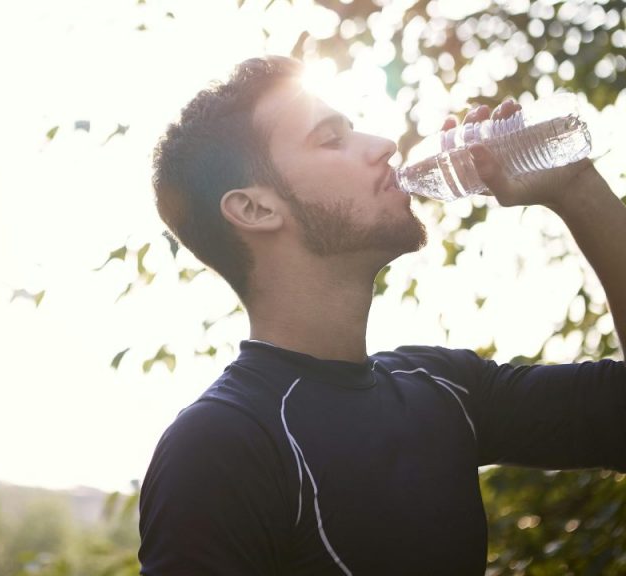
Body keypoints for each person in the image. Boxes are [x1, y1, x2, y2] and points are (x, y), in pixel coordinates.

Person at [137, 55, 626, 575]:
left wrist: (577, 188)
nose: (384, 146)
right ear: (255, 209)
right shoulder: (221, 445)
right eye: (331, 139)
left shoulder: (442, 386)